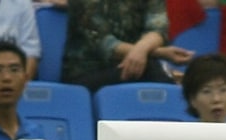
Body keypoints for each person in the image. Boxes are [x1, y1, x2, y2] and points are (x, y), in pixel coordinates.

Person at [60, 0, 193, 90]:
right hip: (87, 73)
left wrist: (142, 48)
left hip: (137, 68)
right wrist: (157, 53)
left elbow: (158, 29)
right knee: (154, 71)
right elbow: (105, 44)